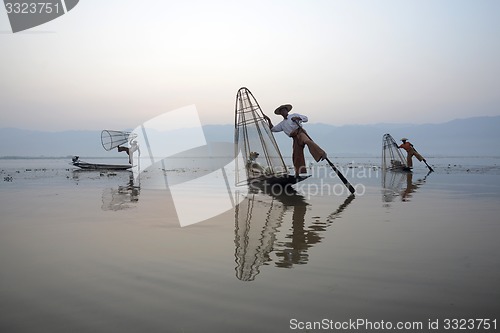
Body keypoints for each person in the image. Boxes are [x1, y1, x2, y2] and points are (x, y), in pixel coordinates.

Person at [264, 104, 326, 177]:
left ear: (287, 111)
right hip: (295, 138)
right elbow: (273, 129)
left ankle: (322, 154)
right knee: (296, 155)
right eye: (281, 111)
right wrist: (268, 120)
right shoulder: (282, 124)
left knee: (308, 141)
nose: (283, 112)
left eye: (284, 110)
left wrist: (298, 118)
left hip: (300, 133)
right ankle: (297, 172)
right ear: (280, 114)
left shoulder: (293, 115)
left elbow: (306, 118)